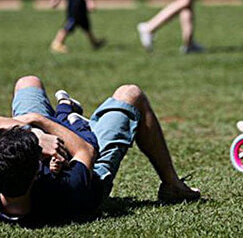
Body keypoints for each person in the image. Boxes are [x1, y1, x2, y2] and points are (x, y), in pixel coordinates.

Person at [0, 75, 200, 224]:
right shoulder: (68, 189)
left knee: (28, 82)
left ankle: (63, 117)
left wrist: (36, 135)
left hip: (32, 155)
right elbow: (84, 150)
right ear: (37, 171)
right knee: (131, 93)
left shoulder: (16, 181)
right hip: (89, 167)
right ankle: (172, 185)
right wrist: (38, 121)